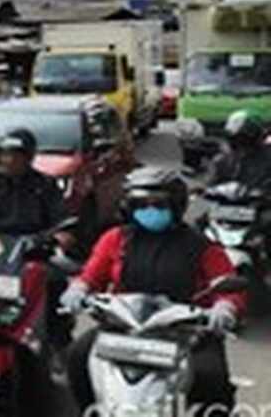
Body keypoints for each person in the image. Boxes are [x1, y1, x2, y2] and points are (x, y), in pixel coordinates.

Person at [60, 167, 246, 414]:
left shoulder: (201, 246)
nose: (150, 211)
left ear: (176, 205)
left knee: (213, 379)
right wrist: (78, 290)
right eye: (141, 205)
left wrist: (225, 308)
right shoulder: (116, 239)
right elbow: (91, 274)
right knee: (77, 355)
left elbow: (228, 285)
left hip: (186, 332)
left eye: (158, 205)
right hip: (123, 327)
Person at [0, 128, 76, 351]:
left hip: (33, 254)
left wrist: (60, 235)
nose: (10, 160)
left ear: (29, 156)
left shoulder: (45, 185)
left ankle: (58, 344)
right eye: (4, 154)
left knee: (56, 284)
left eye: (16, 154)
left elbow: (61, 220)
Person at [208, 110, 271, 190]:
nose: (238, 145)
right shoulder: (223, 160)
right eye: (233, 140)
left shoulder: (266, 157)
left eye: (243, 140)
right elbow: (209, 186)